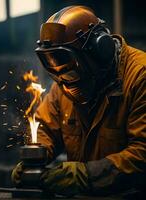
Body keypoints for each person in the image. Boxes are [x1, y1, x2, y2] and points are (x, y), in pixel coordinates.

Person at [12, 5, 146, 198]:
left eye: (71, 70)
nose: (65, 81)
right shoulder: (64, 85)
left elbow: (141, 155)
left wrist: (85, 175)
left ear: (100, 50)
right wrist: (32, 163)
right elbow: (46, 130)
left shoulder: (139, 77)